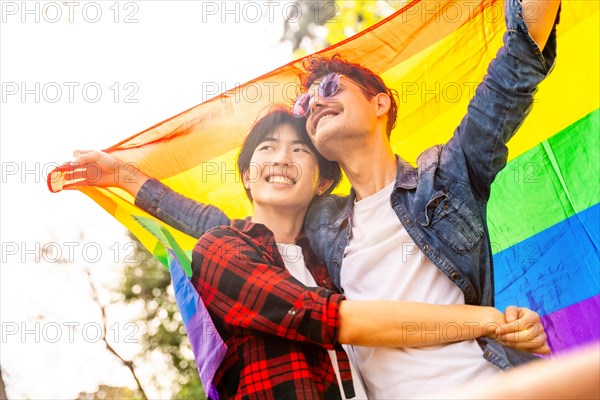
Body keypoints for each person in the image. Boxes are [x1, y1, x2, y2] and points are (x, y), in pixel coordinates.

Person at [56, 0, 559, 397]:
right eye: (305, 102)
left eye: (332, 87)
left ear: (380, 103)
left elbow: (515, 65)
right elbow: (220, 225)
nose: (315, 102)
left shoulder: (449, 175)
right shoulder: (320, 226)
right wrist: (123, 174)